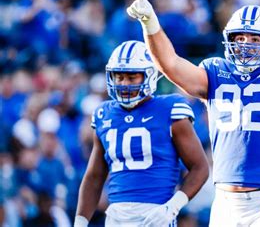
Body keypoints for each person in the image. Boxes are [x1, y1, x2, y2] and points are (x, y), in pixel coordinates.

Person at [127, 0, 260, 226]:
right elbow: (170, 64)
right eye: (240, 38)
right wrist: (150, 24)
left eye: (254, 38)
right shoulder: (216, 71)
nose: (246, 44)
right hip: (225, 201)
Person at [74, 40, 209, 226]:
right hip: (116, 215)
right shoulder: (104, 114)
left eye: (131, 77)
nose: (124, 84)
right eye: (119, 77)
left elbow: (200, 168)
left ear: (150, 76)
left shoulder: (169, 109)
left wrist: (172, 207)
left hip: (155, 213)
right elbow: (94, 176)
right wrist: (80, 222)